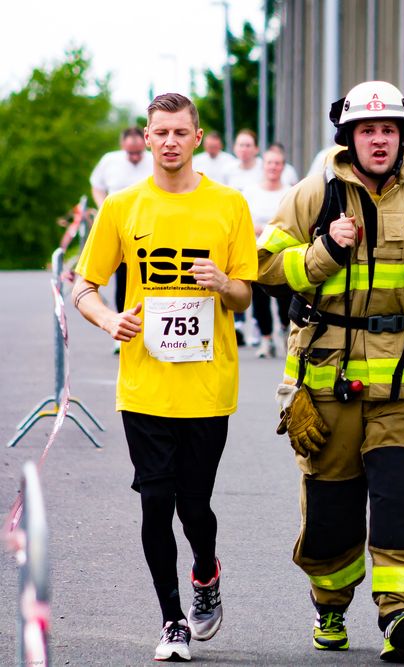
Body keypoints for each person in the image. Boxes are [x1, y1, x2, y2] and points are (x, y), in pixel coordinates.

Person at [256, 80, 404, 663]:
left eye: (390, 130)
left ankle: (400, 612)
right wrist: (324, 252)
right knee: (333, 506)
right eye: (369, 130)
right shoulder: (315, 193)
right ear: (350, 137)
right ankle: (330, 605)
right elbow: (264, 265)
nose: (380, 140)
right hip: (328, 372)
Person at [71, 93, 257, 663]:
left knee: (194, 505)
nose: (170, 141)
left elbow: (246, 298)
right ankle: (172, 619)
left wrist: (224, 283)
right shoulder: (123, 207)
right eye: (161, 132)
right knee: (155, 501)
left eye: (181, 131)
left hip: (207, 386)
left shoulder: (229, 205)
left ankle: (206, 571)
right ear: (146, 140)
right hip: (144, 384)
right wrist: (109, 318)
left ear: (197, 138)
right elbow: (84, 286)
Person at [90, 126, 154, 339]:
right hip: (120, 226)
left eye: (138, 152)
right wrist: (102, 208)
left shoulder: (153, 160)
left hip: (149, 226)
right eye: (130, 153)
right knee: (123, 278)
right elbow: (96, 184)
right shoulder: (110, 160)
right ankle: (120, 324)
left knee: (148, 276)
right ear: (122, 146)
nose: (135, 157)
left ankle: (152, 325)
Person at [242, 145, 292, 358]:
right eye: (270, 163)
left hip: (282, 253)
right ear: (264, 166)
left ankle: (285, 329)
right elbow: (242, 218)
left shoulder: (290, 192)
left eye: (277, 163)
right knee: (260, 299)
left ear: (283, 167)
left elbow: (292, 221)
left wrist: (271, 229)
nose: (273, 167)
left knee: (285, 299)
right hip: (256, 251)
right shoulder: (251, 191)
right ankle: (266, 340)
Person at [223, 129, 299, 192]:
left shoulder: (267, 167)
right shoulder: (227, 169)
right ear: (234, 148)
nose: (244, 149)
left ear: (256, 149)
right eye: (241, 145)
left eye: (248, 145)